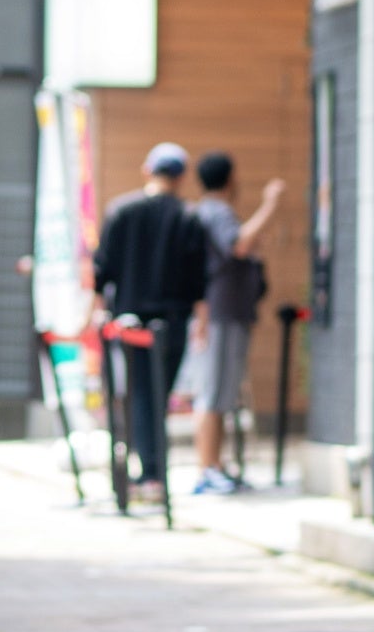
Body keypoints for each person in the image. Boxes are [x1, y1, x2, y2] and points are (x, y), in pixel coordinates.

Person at [92, 142, 208, 497]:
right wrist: (202, 319)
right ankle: (154, 472)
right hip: (172, 318)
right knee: (158, 393)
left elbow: (102, 269)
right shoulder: (189, 217)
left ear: (147, 170)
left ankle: (148, 472)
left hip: (128, 319)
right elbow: (198, 277)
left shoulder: (121, 211)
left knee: (139, 392)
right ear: (182, 176)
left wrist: (96, 312)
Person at [188, 152, 284, 494]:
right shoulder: (216, 212)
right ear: (230, 179)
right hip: (220, 314)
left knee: (222, 393)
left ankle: (215, 466)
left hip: (225, 313)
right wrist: (270, 205)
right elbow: (239, 244)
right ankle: (207, 470)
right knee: (214, 393)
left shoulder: (209, 212)